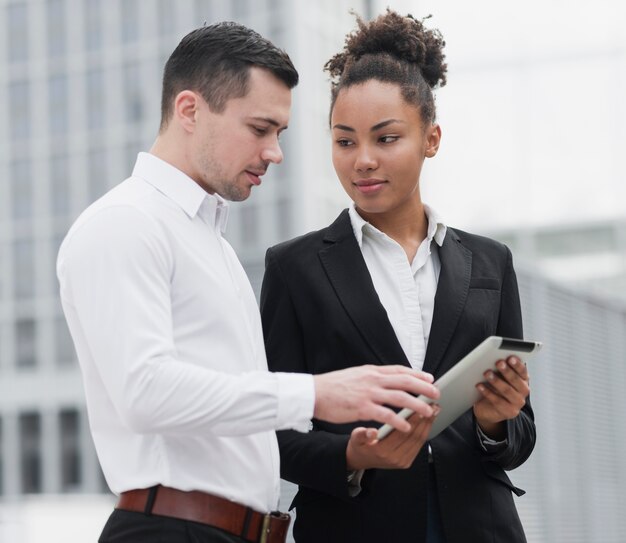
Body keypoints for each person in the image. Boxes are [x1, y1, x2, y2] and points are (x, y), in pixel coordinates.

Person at [56, 21, 441, 543]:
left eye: (278, 134)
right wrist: (314, 395)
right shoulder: (123, 223)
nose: (274, 152)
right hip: (172, 530)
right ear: (189, 110)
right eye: (259, 129)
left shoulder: (211, 242)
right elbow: (143, 392)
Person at [260, 10, 535, 543]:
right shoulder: (292, 268)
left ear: (431, 138)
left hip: (481, 529)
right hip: (352, 527)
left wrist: (497, 421)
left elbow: (521, 438)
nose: (362, 160)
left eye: (385, 139)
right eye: (344, 142)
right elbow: (275, 430)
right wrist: (351, 454)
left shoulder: (490, 262)